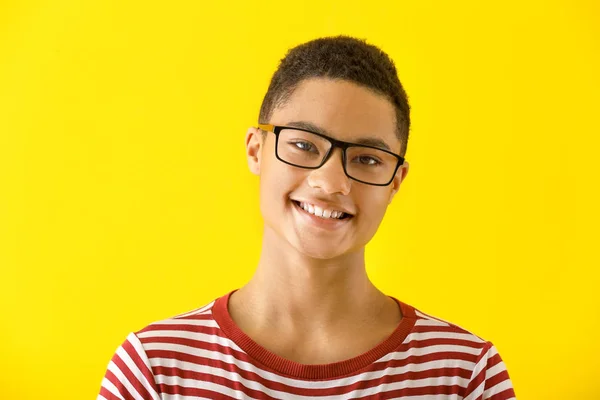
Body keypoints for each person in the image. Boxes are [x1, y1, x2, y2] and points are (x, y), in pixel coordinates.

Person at [98, 35, 517, 399]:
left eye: (368, 158)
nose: (330, 181)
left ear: (396, 181)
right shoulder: (154, 370)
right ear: (255, 150)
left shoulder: (465, 375)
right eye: (303, 145)